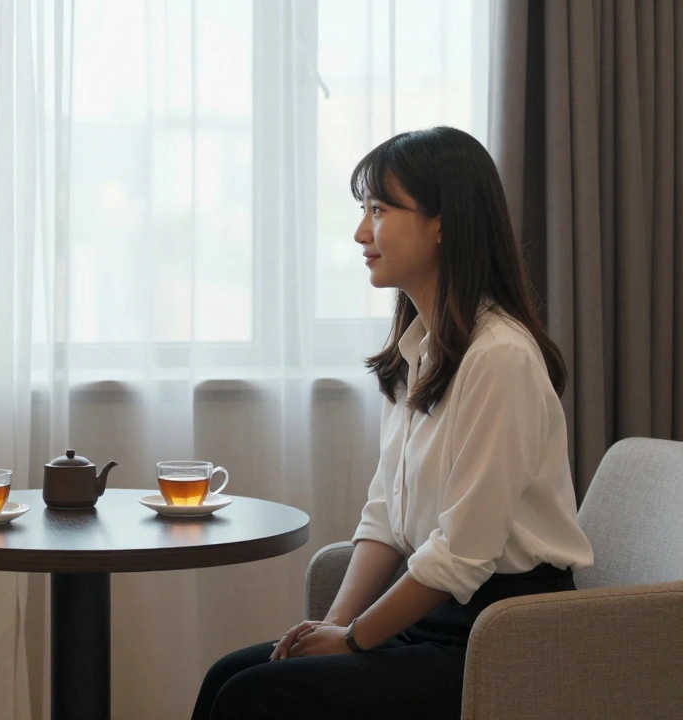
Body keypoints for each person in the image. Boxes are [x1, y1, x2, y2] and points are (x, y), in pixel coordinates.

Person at [191, 126, 594, 720]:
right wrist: (329, 629)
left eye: (379, 210)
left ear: (442, 223)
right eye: (363, 210)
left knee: (255, 696)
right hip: (431, 616)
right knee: (230, 674)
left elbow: (462, 553)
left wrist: (354, 641)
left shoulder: (499, 358)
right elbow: (385, 518)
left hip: (503, 634)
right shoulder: (416, 353)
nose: (361, 233)